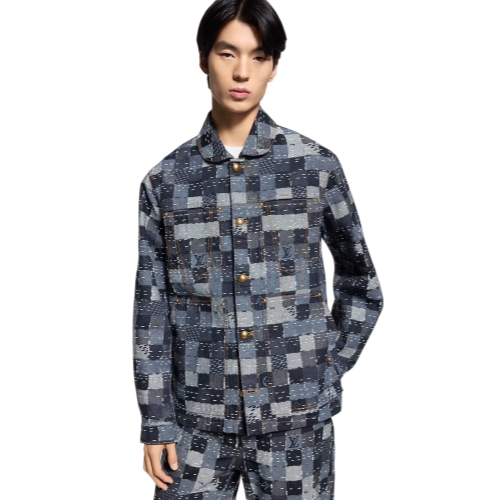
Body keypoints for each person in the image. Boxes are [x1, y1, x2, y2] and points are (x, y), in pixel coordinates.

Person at [132, 0, 384, 498]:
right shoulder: (165, 182)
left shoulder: (315, 168)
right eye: (227, 54)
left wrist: (326, 365)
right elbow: (151, 308)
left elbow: (362, 284)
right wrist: (155, 420)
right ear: (203, 59)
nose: (242, 72)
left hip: (297, 423)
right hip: (195, 425)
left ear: (274, 66)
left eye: (259, 56)